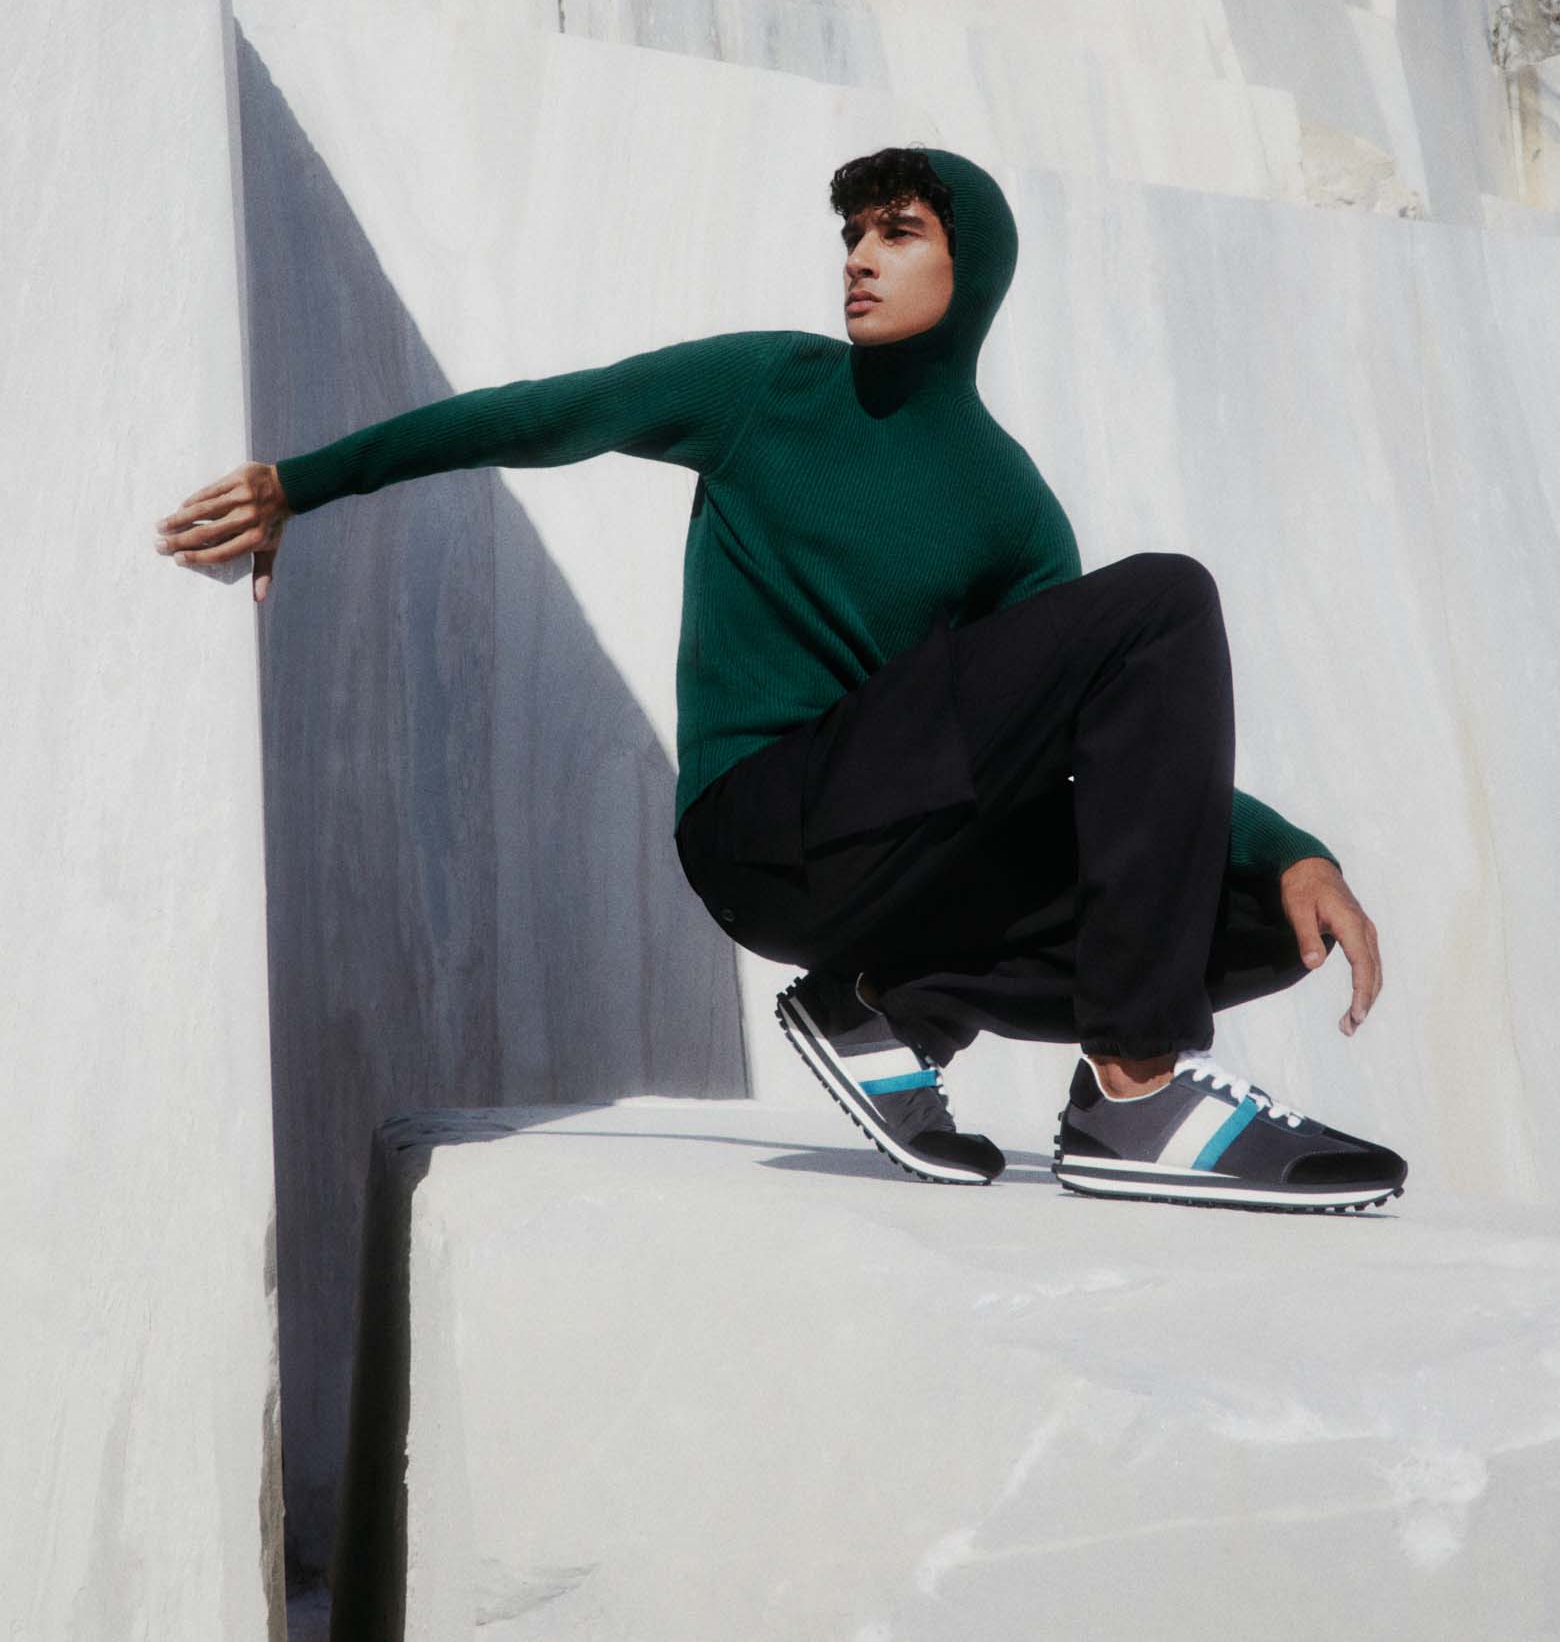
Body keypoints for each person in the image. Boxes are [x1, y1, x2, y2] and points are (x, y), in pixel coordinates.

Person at [153, 144, 1401, 1212]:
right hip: (760, 821)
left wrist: (1290, 850)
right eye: (852, 234)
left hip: (886, 866)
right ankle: (1138, 1088)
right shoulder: (770, 388)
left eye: (897, 233)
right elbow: (542, 415)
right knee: (1166, 598)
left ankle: (887, 1008)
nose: (859, 257)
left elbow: (1111, 765)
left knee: (1249, 917)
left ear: (971, 270)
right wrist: (302, 484)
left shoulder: (1012, 508)